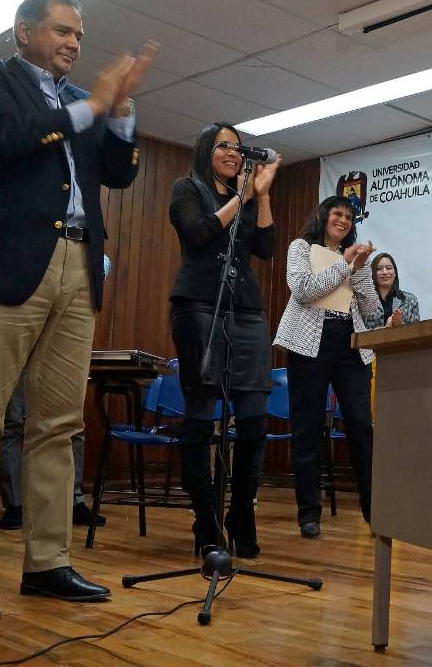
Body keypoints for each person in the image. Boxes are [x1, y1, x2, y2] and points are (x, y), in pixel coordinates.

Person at [0, 0, 156, 620]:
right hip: (9, 262)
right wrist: (93, 106)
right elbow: (6, 138)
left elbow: (119, 173)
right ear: (23, 31)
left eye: (79, 35)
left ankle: (47, 562)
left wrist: (122, 111)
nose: (74, 44)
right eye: (62, 31)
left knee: (58, 422)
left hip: (80, 265)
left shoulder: (82, 100)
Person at [168, 123, 279, 559]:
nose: (233, 153)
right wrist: (244, 196)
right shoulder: (187, 188)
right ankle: (206, 520)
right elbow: (197, 234)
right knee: (201, 414)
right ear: (205, 151)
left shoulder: (248, 196)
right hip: (198, 304)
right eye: (224, 146)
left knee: (254, 416)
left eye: (237, 147)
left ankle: (241, 513)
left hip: (246, 309)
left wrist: (263, 193)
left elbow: (266, 248)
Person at [273, 196, 379, 539]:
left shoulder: (354, 256)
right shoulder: (301, 247)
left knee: (362, 425)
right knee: (307, 428)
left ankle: (374, 509)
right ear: (323, 216)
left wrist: (361, 269)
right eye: (338, 213)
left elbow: (372, 307)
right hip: (309, 344)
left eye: (349, 217)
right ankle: (308, 512)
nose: (344, 220)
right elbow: (303, 290)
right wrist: (344, 266)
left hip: (349, 343)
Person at [0, 254, 114, 531]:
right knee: (11, 422)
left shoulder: (76, 232)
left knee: (70, 422)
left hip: (61, 334)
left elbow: (103, 262)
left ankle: (71, 501)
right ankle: (15, 504)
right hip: (18, 326)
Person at [363, 253, 420, 329]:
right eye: (379, 269)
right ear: (372, 274)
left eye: (389, 268)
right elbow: (357, 331)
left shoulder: (410, 300)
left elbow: (417, 332)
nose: (385, 272)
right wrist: (385, 329)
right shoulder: (363, 300)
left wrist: (400, 324)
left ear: (395, 273)